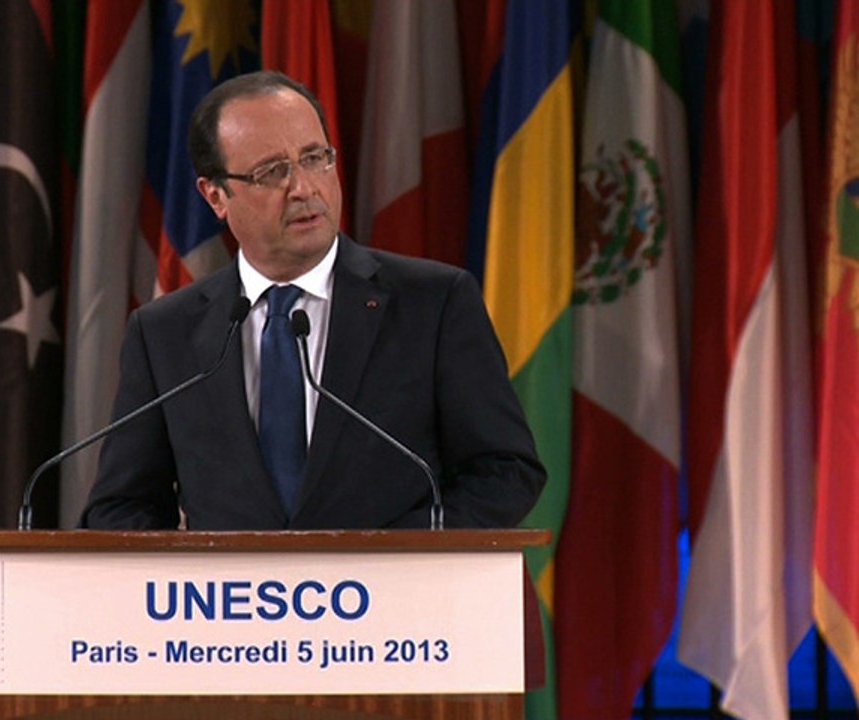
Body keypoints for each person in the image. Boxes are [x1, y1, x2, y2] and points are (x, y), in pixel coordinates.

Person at [80, 71, 545, 531]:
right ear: (216, 196)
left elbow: (506, 471)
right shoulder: (164, 333)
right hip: (227, 584)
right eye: (272, 172)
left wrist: (393, 554)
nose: (304, 188)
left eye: (315, 158)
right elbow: (120, 506)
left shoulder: (434, 303)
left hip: (391, 579)